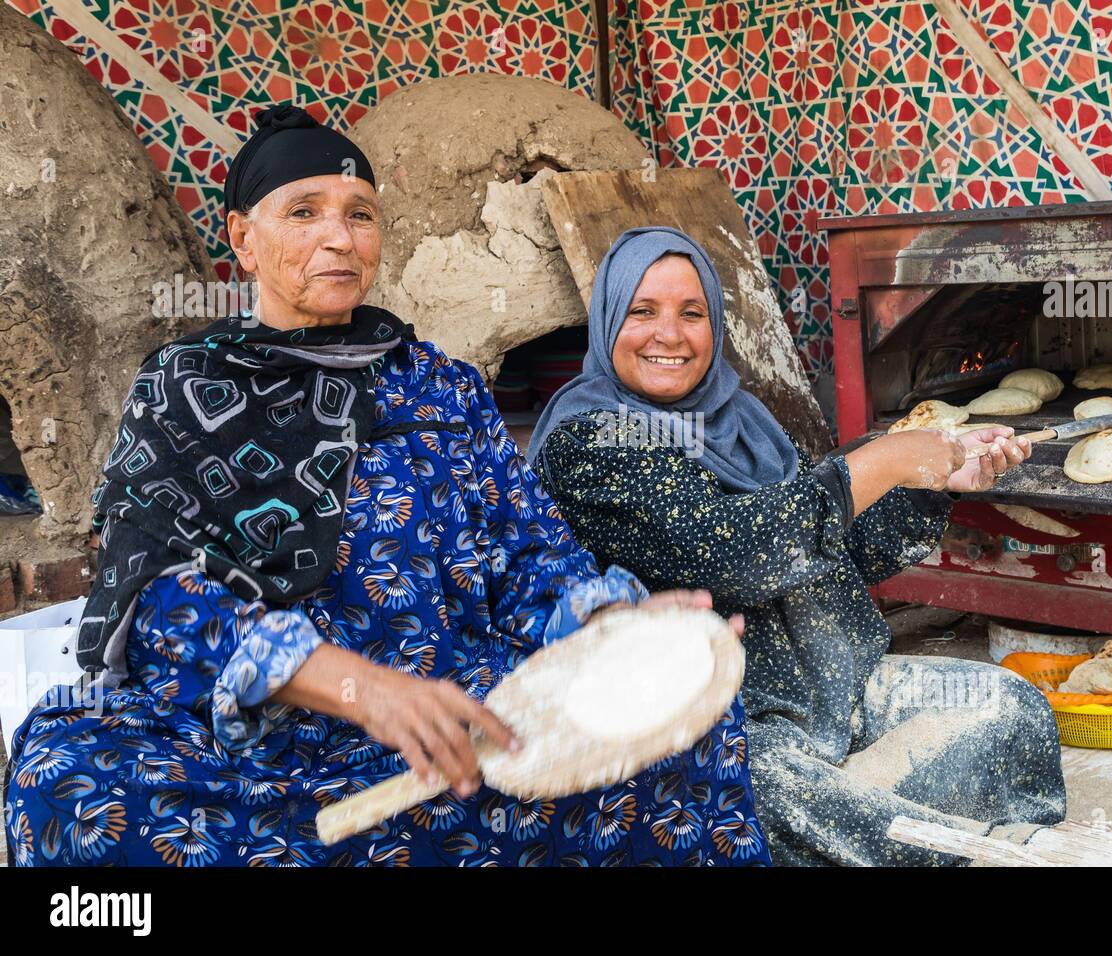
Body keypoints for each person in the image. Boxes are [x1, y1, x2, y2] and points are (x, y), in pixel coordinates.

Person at [2, 108, 769, 867]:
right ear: (242, 237)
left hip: (451, 706)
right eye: (304, 213)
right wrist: (364, 691)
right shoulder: (184, 388)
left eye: (360, 215)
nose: (340, 238)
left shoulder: (442, 387)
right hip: (263, 734)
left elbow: (530, 555)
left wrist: (615, 624)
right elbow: (152, 600)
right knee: (60, 778)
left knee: (691, 730)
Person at [530, 226, 1067, 866]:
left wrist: (936, 484)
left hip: (834, 684)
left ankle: (914, 831)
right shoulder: (592, 441)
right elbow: (734, 551)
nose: (669, 335)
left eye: (691, 313)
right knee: (783, 807)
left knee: (1012, 708)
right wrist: (883, 462)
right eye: (642, 312)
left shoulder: (744, 424)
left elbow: (832, 550)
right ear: (607, 321)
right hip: (729, 728)